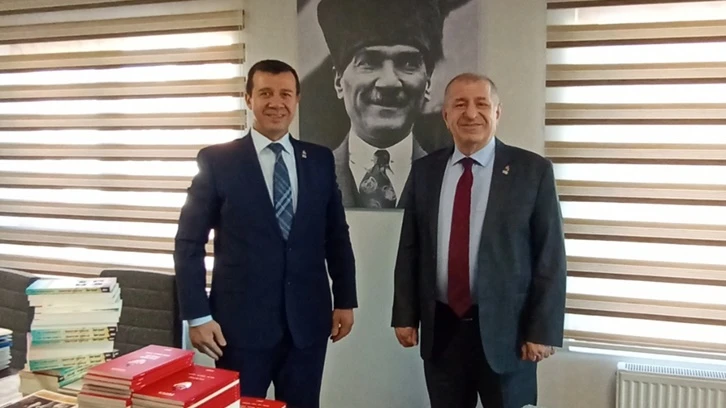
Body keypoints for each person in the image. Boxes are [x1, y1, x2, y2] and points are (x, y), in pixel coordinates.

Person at [174, 59, 357, 408]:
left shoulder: (319, 161)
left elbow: (336, 235)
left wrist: (345, 299)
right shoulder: (218, 161)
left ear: (297, 99)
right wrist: (197, 315)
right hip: (238, 329)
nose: (276, 103)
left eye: (285, 94)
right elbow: (189, 243)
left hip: (307, 325)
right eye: (266, 93)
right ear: (248, 98)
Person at [391, 73, 567, 408]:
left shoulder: (533, 171)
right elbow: (410, 248)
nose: (471, 113)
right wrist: (404, 314)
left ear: (497, 113)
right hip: (443, 330)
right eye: (460, 104)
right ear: (446, 116)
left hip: (509, 334)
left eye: (481, 104)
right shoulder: (425, 171)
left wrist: (541, 331)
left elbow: (550, 257)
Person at [308, 0, 474, 208]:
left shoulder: (454, 180)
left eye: (408, 63)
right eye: (369, 62)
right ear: (338, 82)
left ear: (428, 82)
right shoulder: (308, 178)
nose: (389, 82)